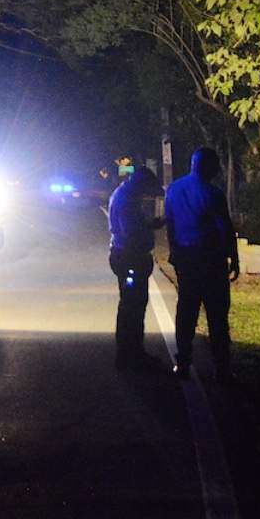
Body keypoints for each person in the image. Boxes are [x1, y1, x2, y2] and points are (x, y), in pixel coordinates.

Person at [164, 148, 239, 379]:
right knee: (217, 315)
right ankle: (222, 369)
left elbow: (170, 225)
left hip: (185, 260)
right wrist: (234, 258)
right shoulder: (213, 193)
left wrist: (174, 253)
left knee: (186, 311)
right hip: (210, 261)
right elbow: (225, 228)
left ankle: (183, 362)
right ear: (208, 166)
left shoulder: (175, 189)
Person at [106, 165, 164, 371]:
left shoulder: (123, 195)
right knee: (133, 308)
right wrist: (146, 237)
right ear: (140, 184)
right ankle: (130, 355)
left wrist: (149, 226)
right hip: (130, 259)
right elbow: (132, 233)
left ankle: (130, 352)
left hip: (124, 256)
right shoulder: (127, 201)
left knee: (131, 306)